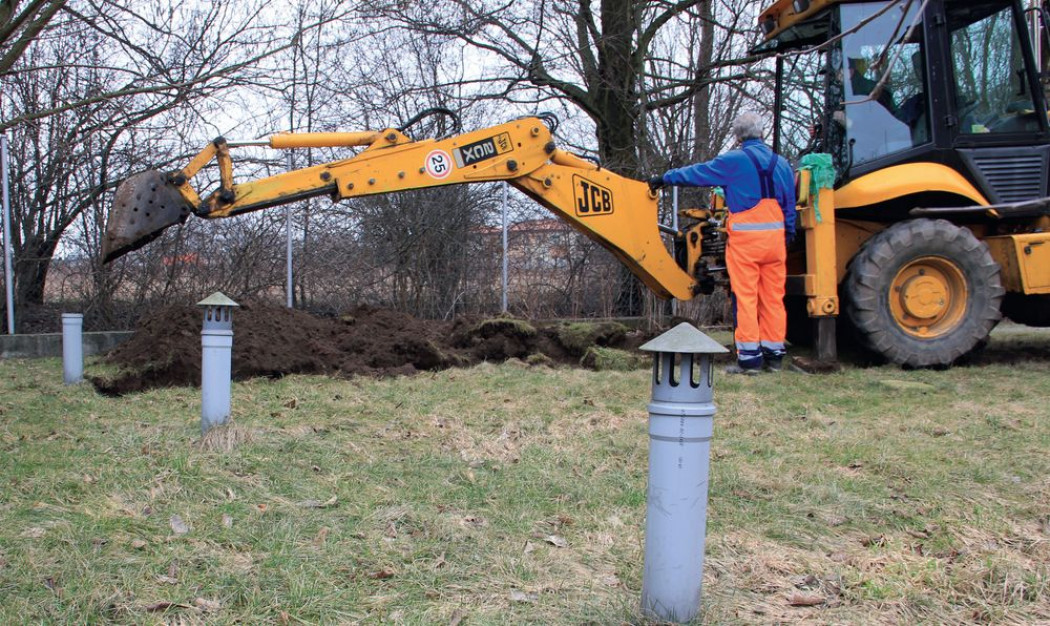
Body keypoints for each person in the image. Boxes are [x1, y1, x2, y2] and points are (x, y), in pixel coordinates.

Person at [649, 112, 796, 374]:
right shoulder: (781, 163)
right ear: (761, 133)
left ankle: (750, 359)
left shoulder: (734, 160)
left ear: (738, 136)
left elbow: (699, 173)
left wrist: (665, 178)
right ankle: (774, 357)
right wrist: (788, 233)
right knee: (774, 298)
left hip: (746, 242)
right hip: (775, 242)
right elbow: (789, 206)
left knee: (746, 296)